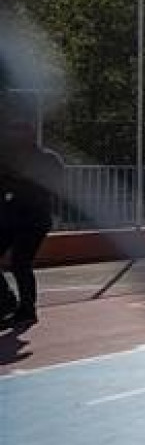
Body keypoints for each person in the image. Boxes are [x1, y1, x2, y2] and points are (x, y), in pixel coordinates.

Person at [1, 122, 65, 329]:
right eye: (13, 130)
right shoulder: (9, 158)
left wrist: (21, 182)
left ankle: (27, 311)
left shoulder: (48, 159)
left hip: (34, 220)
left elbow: (54, 185)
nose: (14, 134)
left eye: (20, 129)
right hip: (9, 217)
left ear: (31, 133)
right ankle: (7, 301)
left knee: (20, 263)